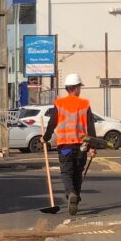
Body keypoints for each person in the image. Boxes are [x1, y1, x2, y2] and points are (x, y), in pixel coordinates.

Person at [42, 73, 96, 215]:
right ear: (76, 88)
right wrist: (93, 146)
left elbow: (52, 123)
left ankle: (71, 193)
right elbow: (90, 127)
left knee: (66, 171)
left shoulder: (59, 103)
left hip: (65, 147)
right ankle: (75, 198)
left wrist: (45, 137)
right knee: (78, 173)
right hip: (81, 147)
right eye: (79, 87)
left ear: (67, 88)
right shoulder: (84, 104)